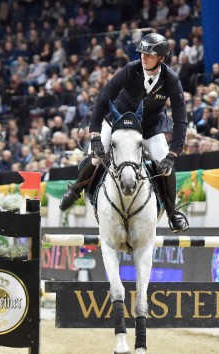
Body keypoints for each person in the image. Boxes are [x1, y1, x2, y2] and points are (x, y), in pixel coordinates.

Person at [59, 33, 189, 232]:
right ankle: (76, 189)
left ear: (162, 58)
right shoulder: (131, 69)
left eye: (150, 55)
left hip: (149, 128)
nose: (144, 57)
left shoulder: (171, 79)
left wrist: (173, 154)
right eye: (142, 53)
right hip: (119, 122)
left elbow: (181, 119)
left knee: (166, 167)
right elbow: (103, 99)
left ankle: (172, 212)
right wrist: (94, 135)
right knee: (95, 157)